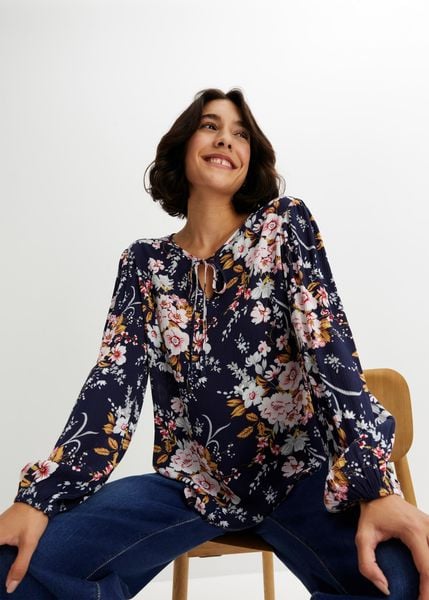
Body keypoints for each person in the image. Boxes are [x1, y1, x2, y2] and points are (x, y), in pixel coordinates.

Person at [0, 87, 427, 600]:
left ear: (251, 158)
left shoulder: (283, 226)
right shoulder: (144, 264)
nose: (225, 138)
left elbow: (329, 351)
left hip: (301, 480)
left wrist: (374, 487)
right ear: (184, 145)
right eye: (210, 125)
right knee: (14, 569)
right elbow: (113, 385)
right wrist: (39, 498)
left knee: (401, 582)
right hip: (191, 488)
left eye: (240, 133)